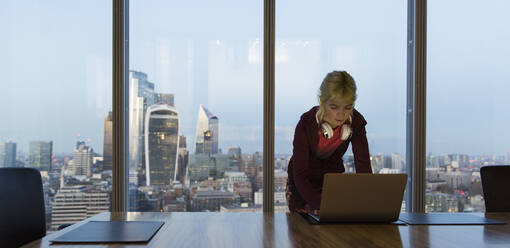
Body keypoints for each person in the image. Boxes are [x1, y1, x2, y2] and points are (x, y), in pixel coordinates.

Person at [286, 70, 372, 214]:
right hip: (302, 186)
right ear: (322, 102)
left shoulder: (356, 122)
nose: (341, 114)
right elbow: (300, 175)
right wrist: (321, 206)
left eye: (348, 107)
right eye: (334, 107)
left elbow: (363, 168)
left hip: (333, 183)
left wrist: (368, 202)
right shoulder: (306, 124)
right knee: (305, 231)